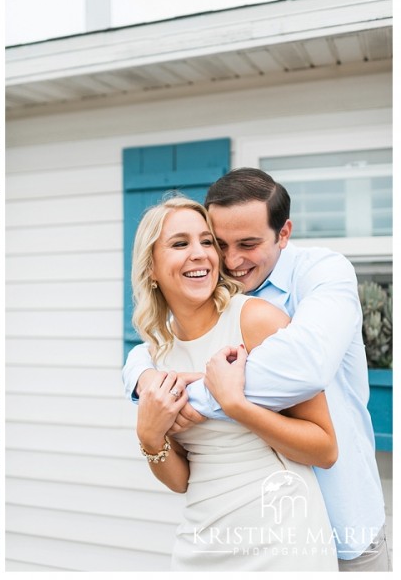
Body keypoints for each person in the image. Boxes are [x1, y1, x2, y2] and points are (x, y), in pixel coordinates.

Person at [124, 168, 388, 571]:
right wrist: (146, 407)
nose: (229, 260)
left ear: (284, 234)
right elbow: (181, 476)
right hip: (212, 539)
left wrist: (197, 395)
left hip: (339, 523)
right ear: (152, 269)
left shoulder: (316, 278)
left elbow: (305, 364)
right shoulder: (158, 355)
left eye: (247, 244)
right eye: (221, 242)